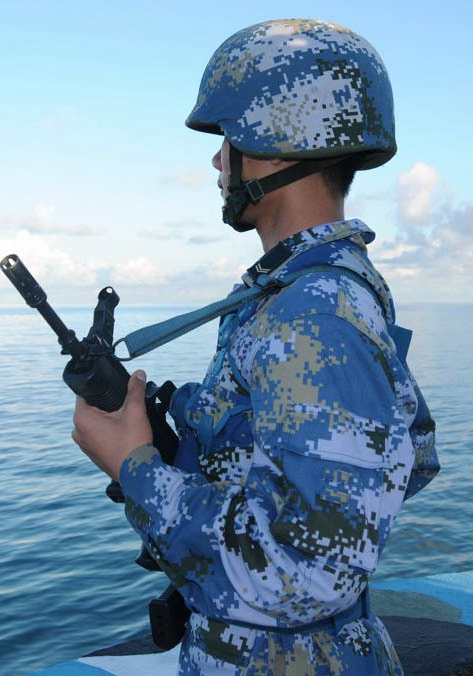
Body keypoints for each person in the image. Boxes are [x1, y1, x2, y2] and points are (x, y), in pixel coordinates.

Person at [72, 18, 439, 675]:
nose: (219, 161)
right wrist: (180, 447)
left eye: (229, 139)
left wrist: (135, 469)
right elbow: (398, 460)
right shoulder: (300, 293)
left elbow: (306, 574)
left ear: (276, 143)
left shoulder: (312, 314)